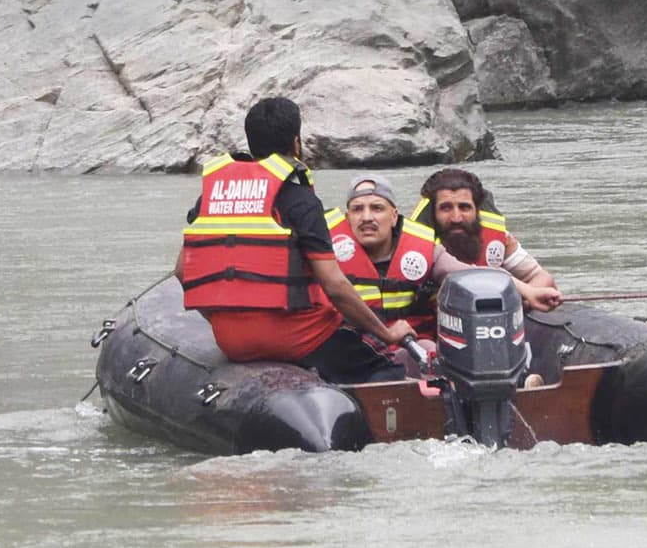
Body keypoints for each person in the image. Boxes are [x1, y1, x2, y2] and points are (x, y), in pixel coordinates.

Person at [175, 95, 412, 380]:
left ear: (250, 144)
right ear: (296, 143)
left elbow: (182, 271)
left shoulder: (211, 198)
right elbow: (335, 285)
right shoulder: (300, 201)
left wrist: (223, 321)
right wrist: (387, 332)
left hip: (232, 342)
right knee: (388, 371)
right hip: (300, 340)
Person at [409, 168, 563, 308]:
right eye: (446, 208)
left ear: (477, 210)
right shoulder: (412, 249)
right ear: (432, 213)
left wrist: (519, 300)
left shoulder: (499, 240)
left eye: (464, 207)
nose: (456, 218)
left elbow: (542, 277)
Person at [327, 177, 447, 343]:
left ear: (394, 216)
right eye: (357, 209)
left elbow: (467, 275)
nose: (366, 217)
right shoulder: (324, 255)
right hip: (353, 352)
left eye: (377, 208)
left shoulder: (427, 251)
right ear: (347, 218)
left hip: (414, 346)